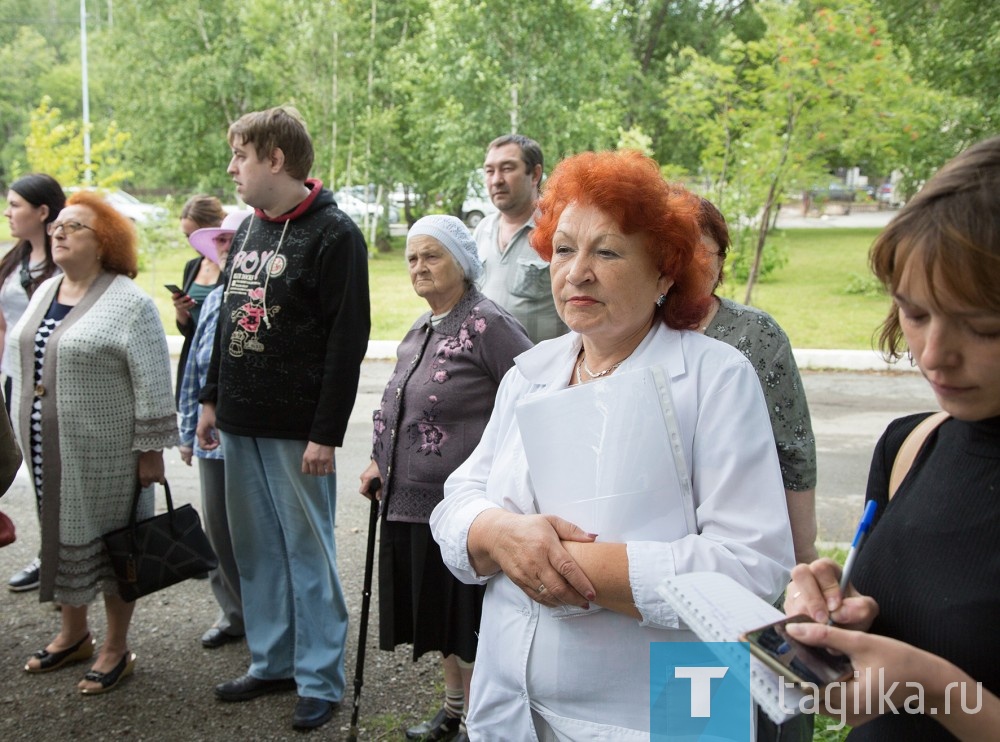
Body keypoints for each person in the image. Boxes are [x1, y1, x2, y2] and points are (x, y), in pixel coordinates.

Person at [430, 150, 794, 739]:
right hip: (512, 706)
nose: (577, 272)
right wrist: (497, 533)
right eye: (565, 248)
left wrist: (559, 563)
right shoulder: (530, 372)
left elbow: (751, 566)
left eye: (607, 251)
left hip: (660, 706)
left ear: (665, 273)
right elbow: (457, 499)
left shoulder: (717, 376)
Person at [784, 136, 1000, 740]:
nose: (934, 356)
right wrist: (838, 612)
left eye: (983, 328)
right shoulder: (913, 444)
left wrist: (931, 687)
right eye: (916, 313)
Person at [196, 106, 370, 731]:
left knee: (309, 553)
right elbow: (227, 320)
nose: (231, 167)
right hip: (239, 420)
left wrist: (326, 434)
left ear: (275, 159)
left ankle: (320, 678)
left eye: (240, 155)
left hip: (299, 431)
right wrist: (211, 398)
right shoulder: (246, 228)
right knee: (258, 550)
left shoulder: (335, 234)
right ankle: (272, 661)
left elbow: (347, 342)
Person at [358, 215, 531, 742]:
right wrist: (376, 461)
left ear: (463, 260)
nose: (420, 267)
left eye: (432, 255)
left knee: (469, 626)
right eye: (413, 258)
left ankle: (482, 723)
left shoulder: (488, 323)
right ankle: (454, 712)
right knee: (441, 624)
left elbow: (533, 394)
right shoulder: (422, 326)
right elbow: (399, 402)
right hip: (409, 503)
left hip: (460, 508)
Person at [10, 191, 178, 694]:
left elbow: (153, 380)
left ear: (103, 243)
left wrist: (150, 453)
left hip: (108, 455)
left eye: (74, 226)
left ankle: (115, 648)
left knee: (114, 548)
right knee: (60, 537)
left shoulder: (130, 303)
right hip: (50, 452)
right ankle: (73, 634)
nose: (59, 231)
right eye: (57, 224)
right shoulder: (47, 290)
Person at [695, 196, 818, 564]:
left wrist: (803, 553)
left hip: (742, 541)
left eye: (702, 252)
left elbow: (793, 448)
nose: (686, 264)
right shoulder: (629, 329)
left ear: (720, 262)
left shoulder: (755, 333)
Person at [177, 209, 251, 649]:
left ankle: (268, 623)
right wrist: (187, 431)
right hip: (210, 441)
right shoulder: (213, 301)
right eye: (220, 242)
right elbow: (194, 372)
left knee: (254, 537)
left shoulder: (252, 299)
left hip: (246, 435)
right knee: (219, 534)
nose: (224, 249)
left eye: (232, 240)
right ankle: (235, 614)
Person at [2, 174, 64, 592]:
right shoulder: (12, 260)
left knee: (53, 473)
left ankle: (58, 558)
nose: (8, 213)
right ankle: (50, 554)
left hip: (52, 383)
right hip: (12, 379)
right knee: (17, 464)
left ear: (42, 212)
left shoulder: (63, 262)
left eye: (15, 205)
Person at [473, 134, 567, 343]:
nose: (496, 180)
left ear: (535, 174)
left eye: (507, 168)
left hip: (543, 369)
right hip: (488, 370)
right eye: (489, 171)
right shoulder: (482, 230)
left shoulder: (559, 230)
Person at [172, 195, 227, 403]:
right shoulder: (192, 266)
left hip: (217, 364)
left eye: (196, 234)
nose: (192, 242)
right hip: (192, 359)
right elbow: (189, 330)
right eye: (187, 236)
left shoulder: (232, 266)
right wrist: (180, 310)